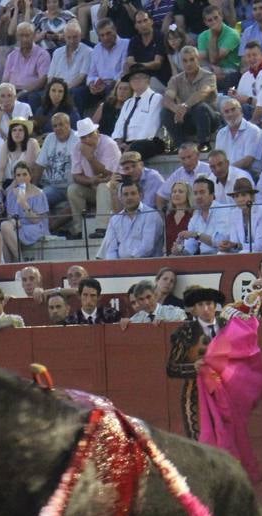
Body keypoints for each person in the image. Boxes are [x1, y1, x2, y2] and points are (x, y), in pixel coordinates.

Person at [166, 288, 222, 440]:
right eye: (200, 305)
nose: (205, 309)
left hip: (225, 391)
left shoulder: (227, 326)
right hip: (195, 393)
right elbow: (171, 368)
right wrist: (193, 367)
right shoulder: (186, 331)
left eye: (209, 303)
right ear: (194, 309)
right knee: (199, 439)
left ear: (215, 306)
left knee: (226, 437)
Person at [99, 177, 161, 258]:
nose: (129, 197)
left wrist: (129, 262)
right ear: (120, 198)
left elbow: (147, 248)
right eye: (125, 194)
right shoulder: (115, 219)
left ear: (141, 195)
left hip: (147, 264)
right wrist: (115, 266)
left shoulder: (151, 215)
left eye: (133, 193)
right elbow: (111, 250)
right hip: (121, 267)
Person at [122, 278, 186, 324]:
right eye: (141, 299)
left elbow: (184, 320)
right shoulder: (136, 319)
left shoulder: (174, 312)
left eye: (148, 297)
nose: (146, 303)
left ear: (155, 295)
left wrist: (167, 324)